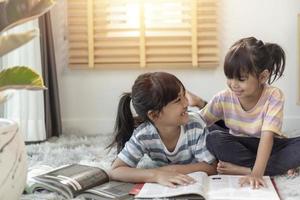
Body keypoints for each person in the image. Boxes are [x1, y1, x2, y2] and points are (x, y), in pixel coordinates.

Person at [187, 37, 300, 189]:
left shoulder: (274, 95)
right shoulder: (224, 97)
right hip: (238, 142)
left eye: (241, 79)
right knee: (213, 137)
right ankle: (277, 166)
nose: (233, 84)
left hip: (268, 144)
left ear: (263, 77)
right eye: (229, 77)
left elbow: (267, 138)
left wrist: (255, 173)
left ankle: (245, 169)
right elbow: (198, 123)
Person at [108, 72, 217, 187]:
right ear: (154, 115)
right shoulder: (143, 135)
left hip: (213, 126)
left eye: (184, 96)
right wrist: (156, 175)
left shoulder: (195, 126)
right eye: (178, 100)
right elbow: (115, 171)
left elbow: (211, 167)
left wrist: (171, 170)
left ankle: (200, 103)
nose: (186, 103)